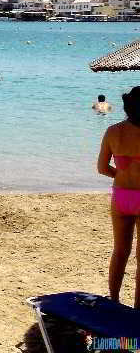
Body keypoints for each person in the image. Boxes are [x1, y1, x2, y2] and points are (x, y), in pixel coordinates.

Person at [97, 86, 140, 308]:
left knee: (120, 251)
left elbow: (102, 168)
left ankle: (113, 300)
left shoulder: (113, 131)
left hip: (122, 196)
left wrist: (121, 174)